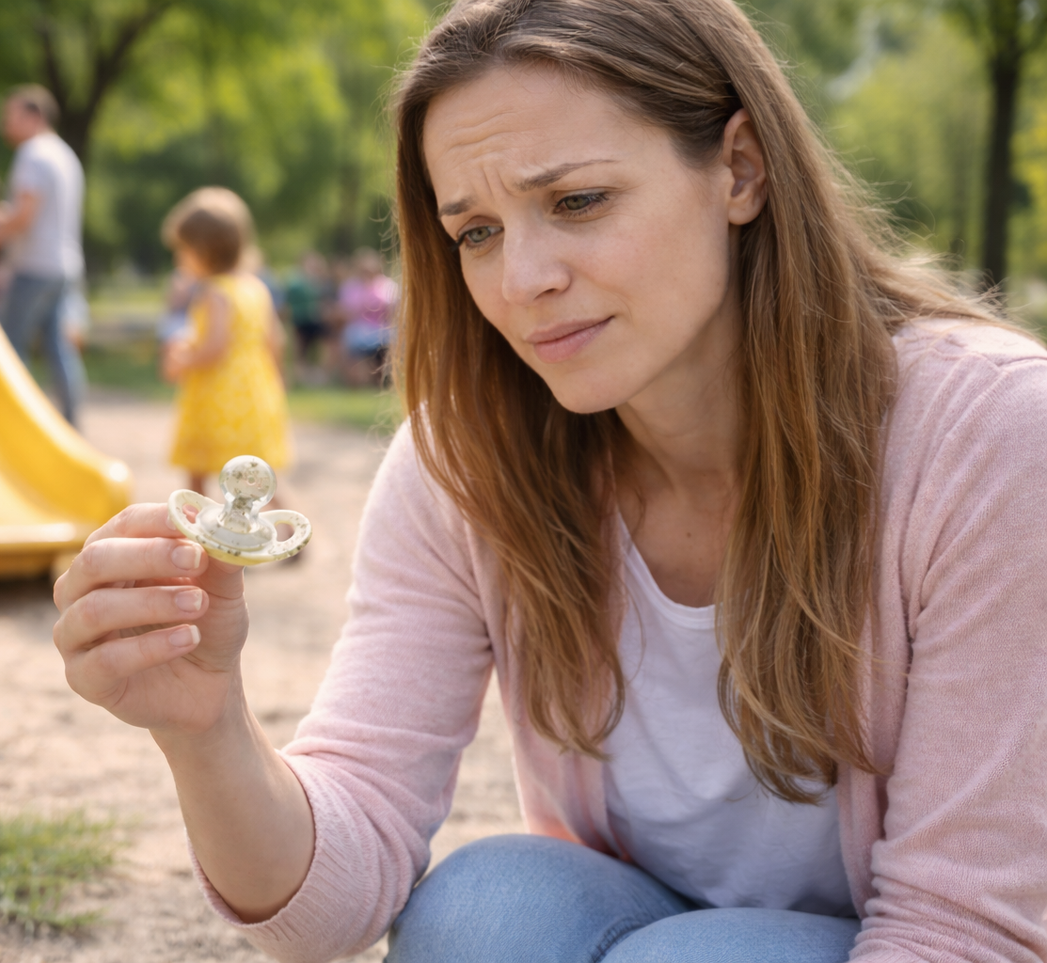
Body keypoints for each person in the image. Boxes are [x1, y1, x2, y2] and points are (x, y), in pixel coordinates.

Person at [51, 1, 1047, 961]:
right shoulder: (466, 462)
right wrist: (206, 730)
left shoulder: (990, 438)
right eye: (475, 231)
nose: (520, 279)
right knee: (480, 915)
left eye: (575, 202)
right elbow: (328, 906)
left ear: (738, 169)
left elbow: (965, 935)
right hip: (632, 918)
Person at [159, 187, 291, 497]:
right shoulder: (255, 287)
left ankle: (195, 527)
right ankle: (289, 526)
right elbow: (276, 340)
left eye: (183, 250)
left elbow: (215, 346)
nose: (179, 258)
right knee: (255, 472)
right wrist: (276, 384)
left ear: (203, 251)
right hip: (253, 392)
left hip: (217, 396)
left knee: (198, 467)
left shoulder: (214, 292)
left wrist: (182, 361)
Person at [0, 85, 87, 428]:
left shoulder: (32, 154)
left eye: (10, 117)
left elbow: (25, 217)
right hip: (64, 265)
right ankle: (70, 423)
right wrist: (0, 217)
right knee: (58, 348)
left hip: (34, 265)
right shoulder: (63, 153)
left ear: (33, 116)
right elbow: (32, 211)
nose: (4, 126)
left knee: (12, 347)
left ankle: (20, 423)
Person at [337, 247, 399, 387]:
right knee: (350, 337)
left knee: (394, 338)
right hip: (359, 328)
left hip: (383, 328)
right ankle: (355, 380)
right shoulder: (351, 286)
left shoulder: (387, 285)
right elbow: (345, 312)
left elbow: (396, 310)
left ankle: (387, 379)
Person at [281, 251, 335, 384]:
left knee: (327, 344)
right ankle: (300, 376)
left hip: (318, 320)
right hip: (300, 320)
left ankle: (323, 375)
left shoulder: (323, 281)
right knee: (299, 349)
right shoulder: (295, 282)